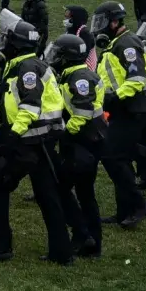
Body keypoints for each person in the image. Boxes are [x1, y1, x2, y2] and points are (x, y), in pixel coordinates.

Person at [0, 16, 72, 264]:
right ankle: (61, 252)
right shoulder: (30, 64)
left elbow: (30, 107)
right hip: (43, 139)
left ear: (16, 45)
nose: (3, 43)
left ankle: (1, 245)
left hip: (27, 140)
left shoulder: (26, 68)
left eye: (7, 40)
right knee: (47, 195)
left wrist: (13, 135)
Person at [91, 1, 146, 228]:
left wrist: (115, 97)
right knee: (120, 159)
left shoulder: (126, 43)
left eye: (102, 22)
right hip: (122, 109)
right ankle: (124, 212)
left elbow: (136, 79)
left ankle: (138, 204)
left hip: (132, 108)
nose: (98, 27)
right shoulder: (116, 43)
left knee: (112, 157)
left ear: (114, 21)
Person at [46, 32, 104, 257]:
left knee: (63, 189)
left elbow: (82, 112)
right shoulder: (72, 74)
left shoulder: (79, 78)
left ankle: (84, 235)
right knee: (84, 192)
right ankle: (91, 241)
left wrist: (64, 133)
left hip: (83, 141)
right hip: (87, 140)